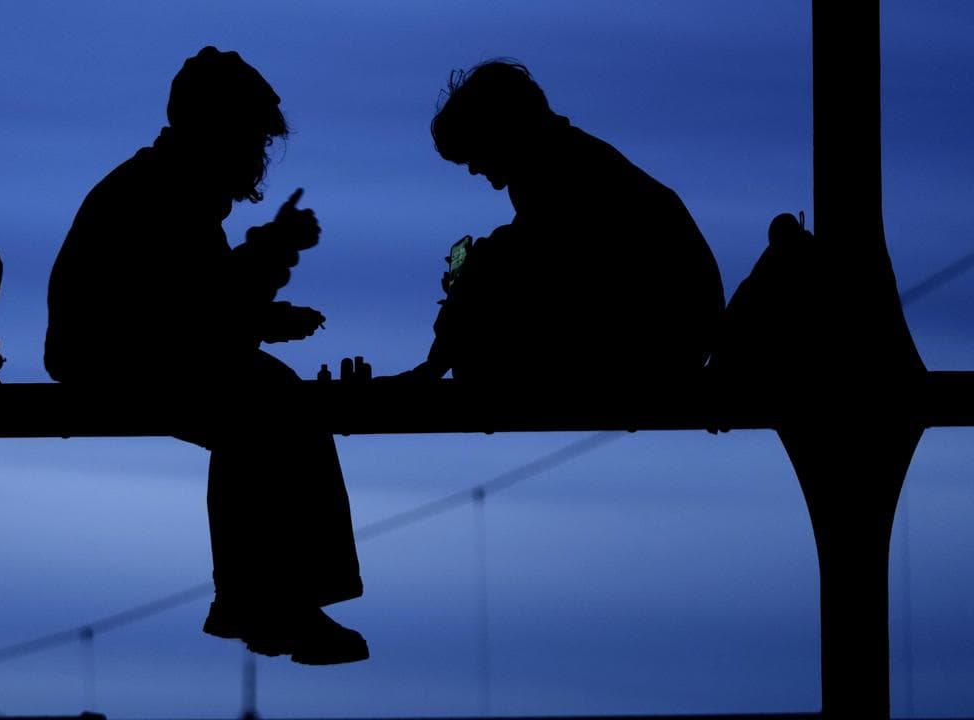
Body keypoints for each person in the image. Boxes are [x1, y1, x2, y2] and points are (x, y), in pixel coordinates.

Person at [45, 47, 367, 665]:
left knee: (268, 399)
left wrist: (264, 311)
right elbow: (194, 305)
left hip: (125, 349)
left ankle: (264, 599)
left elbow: (196, 304)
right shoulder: (164, 192)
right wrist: (273, 254)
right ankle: (268, 600)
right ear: (219, 130)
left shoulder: (172, 186)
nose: (259, 156)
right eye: (253, 139)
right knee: (265, 405)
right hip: (109, 357)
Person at [410, 61, 724, 383]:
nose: (478, 172)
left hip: (660, 341)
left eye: (475, 157)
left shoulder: (563, 170)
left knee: (490, 280)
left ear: (500, 131)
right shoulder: (573, 157)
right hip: (673, 335)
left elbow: (520, 260)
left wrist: (446, 345)